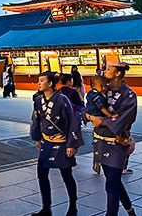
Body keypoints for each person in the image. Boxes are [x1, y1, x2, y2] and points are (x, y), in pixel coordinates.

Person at [87, 61, 138, 216]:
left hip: (117, 142)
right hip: (100, 141)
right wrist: (89, 116)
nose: (105, 71)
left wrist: (100, 120)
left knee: (110, 185)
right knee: (112, 180)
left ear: (117, 73)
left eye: (108, 69)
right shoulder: (102, 89)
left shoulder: (129, 95)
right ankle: (130, 210)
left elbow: (124, 120)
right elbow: (86, 107)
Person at [30, 71, 83, 216]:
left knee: (66, 175)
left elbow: (72, 121)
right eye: (38, 81)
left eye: (42, 80)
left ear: (51, 83)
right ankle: (46, 208)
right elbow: (36, 120)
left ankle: (73, 206)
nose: (39, 83)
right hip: (46, 142)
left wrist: (71, 144)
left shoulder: (62, 100)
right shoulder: (38, 100)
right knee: (42, 174)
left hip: (61, 142)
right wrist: (37, 137)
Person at [86, 75, 118, 174]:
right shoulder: (97, 96)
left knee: (98, 142)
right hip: (101, 119)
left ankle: (98, 160)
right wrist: (111, 115)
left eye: (105, 86)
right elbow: (101, 108)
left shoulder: (91, 93)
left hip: (96, 120)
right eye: (102, 86)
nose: (104, 88)